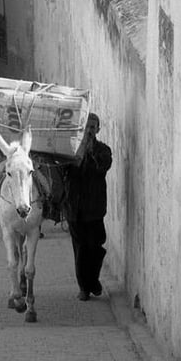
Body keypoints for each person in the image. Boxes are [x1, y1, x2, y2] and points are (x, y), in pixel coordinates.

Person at [63, 113, 113, 301]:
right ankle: (84, 287)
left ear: (98, 130)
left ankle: (93, 280)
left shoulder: (103, 150)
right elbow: (62, 170)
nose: (89, 131)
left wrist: (90, 151)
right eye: (86, 127)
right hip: (74, 209)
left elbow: (103, 166)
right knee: (81, 249)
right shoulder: (71, 151)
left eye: (93, 127)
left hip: (94, 209)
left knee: (96, 246)